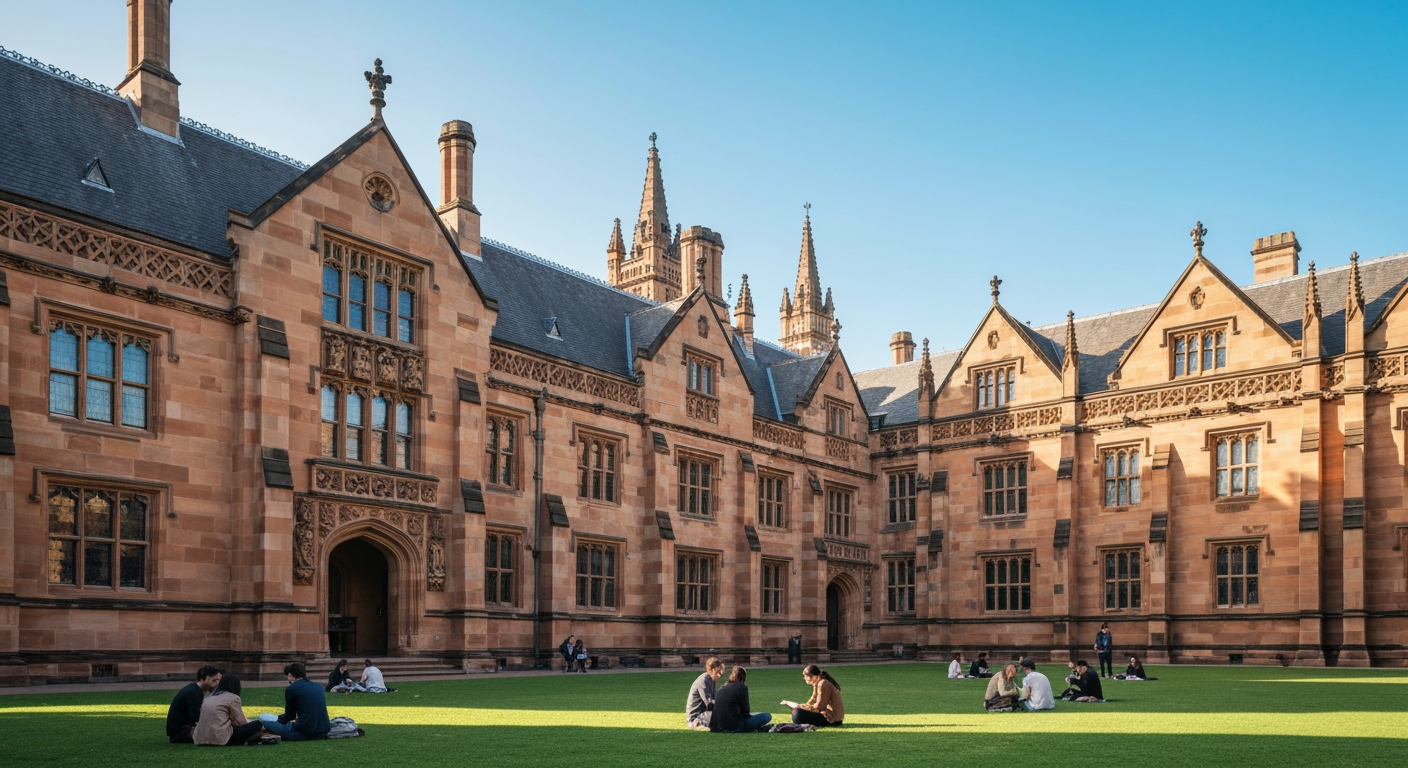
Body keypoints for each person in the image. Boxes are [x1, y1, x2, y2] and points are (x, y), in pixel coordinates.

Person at [257, 662, 332, 741]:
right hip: (324, 729)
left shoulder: (292, 688)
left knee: (262, 720)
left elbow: (290, 716)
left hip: (303, 731)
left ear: (291, 675)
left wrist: (278, 721)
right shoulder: (318, 686)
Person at [195, 673, 266, 746]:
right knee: (257, 724)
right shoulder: (233, 698)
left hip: (200, 738)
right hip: (221, 738)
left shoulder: (208, 697)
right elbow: (241, 721)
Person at [165, 665, 222, 743]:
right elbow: (196, 717)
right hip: (181, 733)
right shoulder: (193, 692)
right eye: (214, 680)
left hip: (179, 732)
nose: (216, 684)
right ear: (205, 678)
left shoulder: (194, 689)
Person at [709, 667, 773, 733]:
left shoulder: (722, 688)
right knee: (767, 716)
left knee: (755, 714)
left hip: (716, 726)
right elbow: (745, 710)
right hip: (734, 726)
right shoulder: (742, 687)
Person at [686, 657, 725, 730]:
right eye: (719, 672)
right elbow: (708, 702)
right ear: (713, 669)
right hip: (696, 718)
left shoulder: (712, 681)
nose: (719, 675)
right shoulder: (703, 680)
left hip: (705, 714)